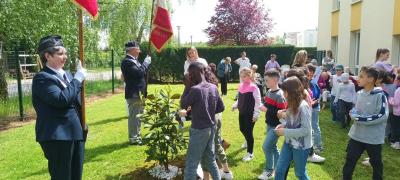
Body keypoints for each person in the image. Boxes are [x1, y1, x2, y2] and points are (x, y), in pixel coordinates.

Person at [32, 35, 87, 180]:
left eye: (66, 53)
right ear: (48, 56)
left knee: (76, 175)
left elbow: (75, 102)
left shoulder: (67, 75)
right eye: (60, 53)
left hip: (75, 132)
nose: (65, 57)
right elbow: (61, 100)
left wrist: (83, 126)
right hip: (57, 136)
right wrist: (78, 79)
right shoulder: (42, 78)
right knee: (62, 176)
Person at [342, 66, 389, 180]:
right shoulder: (359, 94)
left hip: (373, 138)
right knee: (349, 161)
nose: (358, 78)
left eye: (361, 76)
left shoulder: (380, 96)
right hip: (356, 136)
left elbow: (382, 115)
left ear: (371, 79)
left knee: (376, 163)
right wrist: (352, 113)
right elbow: (357, 110)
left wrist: (359, 119)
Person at [180, 62, 224, 180]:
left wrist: (187, 86)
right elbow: (221, 107)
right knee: (210, 159)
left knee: (191, 164)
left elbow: (183, 104)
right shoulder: (213, 87)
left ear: (192, 74)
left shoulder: (195, 89)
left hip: (199, 130)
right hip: (211, 127)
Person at [274, 76, 312, 180]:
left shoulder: (303, 107)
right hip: (289, 143)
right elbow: (291, 122)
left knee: (299, 173)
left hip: (301, 146)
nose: (283, 94)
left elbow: (305, 130)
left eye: (285, 92)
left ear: (292, 92)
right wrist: (282, 123)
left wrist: (284, 131)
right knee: (279, 170)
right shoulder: (291, 104)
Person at [201, 66, 233, 180]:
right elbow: (220, 106)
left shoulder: (203, 88)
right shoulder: (213, 85)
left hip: (209, 119)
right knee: (217, 143)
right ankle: (226, 171)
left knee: (206, 149)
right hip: (217, 116)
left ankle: (206, 177)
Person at [120, 41, 151, 145]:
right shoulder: (127, 61)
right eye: (138, 49)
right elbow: (138, 73)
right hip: (134, 93)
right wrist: (146, 63)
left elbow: (142, 74)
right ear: (132, 50)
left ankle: (137, 135)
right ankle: (134, 138)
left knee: (139, 116)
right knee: (134, 116)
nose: (139, 51)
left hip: (139, 93)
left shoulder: (134, 60)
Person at [258, 69, 287, 180]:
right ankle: (280, 168)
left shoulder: (280, 95)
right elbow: (267, 105)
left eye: (267, 80)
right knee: (273, 147)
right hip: (269, 124)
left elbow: (283, 114)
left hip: (276, 126)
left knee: (266, 147)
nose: (265, 82)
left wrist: (267, 110)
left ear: (275, 80)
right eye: (265, 80)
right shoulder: (269, 91)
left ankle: (268, 171)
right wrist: (262, 106)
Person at [232, 67, 262, 162]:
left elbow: (258, 102)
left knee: (249, 132)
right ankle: (247, 141)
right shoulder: (241, 85)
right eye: (241, 76)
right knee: (242, 128)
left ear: (250, 76)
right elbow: (239, 98)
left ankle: (250, 152)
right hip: (242, 112)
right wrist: (236, 105)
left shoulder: (254, 87)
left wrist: (256, 114)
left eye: (244, 76)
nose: (242, 78)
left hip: (250, 114)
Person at [306, 64, 324, 154]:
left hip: (313, 108)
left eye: (311, 74)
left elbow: (316, 97)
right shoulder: (306, 83)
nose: (309, 76)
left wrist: (312, 102)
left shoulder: (313, 84)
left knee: (314, 126)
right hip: (308, 108)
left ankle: (318, 146)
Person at [389, 74, 400, 149]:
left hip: (397, 112)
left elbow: (396, 103)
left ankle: (397, 143)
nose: (395, 81)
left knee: (396, 128)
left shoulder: (398, 90)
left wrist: (390, 99)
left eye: (396, 80)